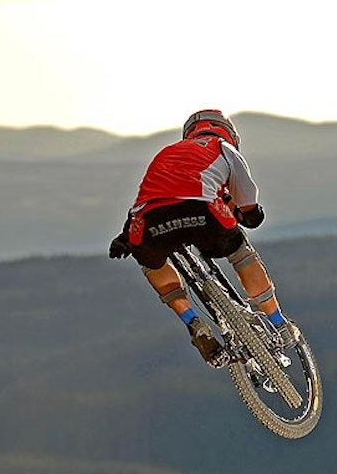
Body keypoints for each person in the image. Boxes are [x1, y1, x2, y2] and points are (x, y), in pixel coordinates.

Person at [109, 109, 293, 364]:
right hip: (201, 209)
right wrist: (251, 214)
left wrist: (126, 237)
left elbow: (145, 199)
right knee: (240, 253)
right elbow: (247, 199)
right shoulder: (223, 147)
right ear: (229, 133)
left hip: (149, 219)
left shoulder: (165, 153)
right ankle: (279, 323)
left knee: (151, 263)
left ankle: (192, 321)